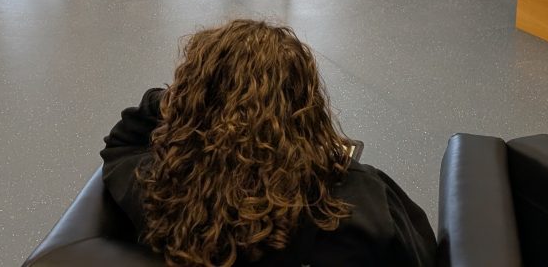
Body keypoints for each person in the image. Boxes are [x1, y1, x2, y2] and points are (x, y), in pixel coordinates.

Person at [101, 19, 436, 265]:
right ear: (305, 108)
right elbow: (422, 253)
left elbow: (123, 141)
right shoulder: (359, 203)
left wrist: (187, 100)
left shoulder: (162, 192)